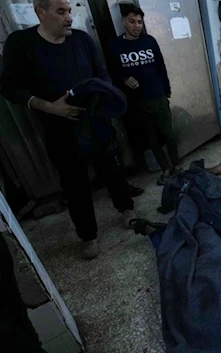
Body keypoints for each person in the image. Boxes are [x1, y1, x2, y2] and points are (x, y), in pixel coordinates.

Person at [0, 0, 137, 259]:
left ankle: (127, 210)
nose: (69, 18)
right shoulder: (21, 43)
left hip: (96, 124)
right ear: (41, 13)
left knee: (113, 170)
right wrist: (50, 107)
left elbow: (102, 74)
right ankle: (88, 236)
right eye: (61, 12)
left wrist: (106, 103)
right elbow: (9, 88)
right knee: (75, 186)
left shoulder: (83, 40)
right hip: (60, 131)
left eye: (70, 11)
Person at [107, 5, 179, 186]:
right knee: (151, 139)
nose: (137, 26)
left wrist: (167, 90)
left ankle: (177, 167)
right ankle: (165, 169)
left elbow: (161, 67)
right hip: (137, 102)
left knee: (169, 135)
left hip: (158, 96)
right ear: (123, 21)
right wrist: (124, 80)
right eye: (132, 21)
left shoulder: (149, 41)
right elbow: (111, 72)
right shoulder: (115, 46)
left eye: (140, 22)